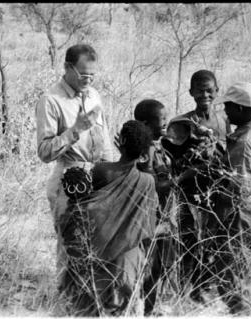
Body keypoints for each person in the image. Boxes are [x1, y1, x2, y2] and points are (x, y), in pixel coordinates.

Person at [35, 44, 117, 295]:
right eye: (83, 74)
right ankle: (66, 298)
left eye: (92, 75)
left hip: (96, 176)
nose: (88, 80)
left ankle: (91, 295)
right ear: (67, 68)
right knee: (70, 242)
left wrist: (112, 172)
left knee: (97, 239)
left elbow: (102, 137)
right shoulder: (51, 100)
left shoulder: (93, 95)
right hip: (68, 178)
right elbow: (45, 152)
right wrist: (74, 131)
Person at [56, 120, 158, 316]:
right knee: (121, 307)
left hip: (95, 246)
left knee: (89, 303)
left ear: (121, 142)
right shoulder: (147, 181)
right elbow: (148, 226)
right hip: (127, 253)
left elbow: (82, 204)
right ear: (145, 153)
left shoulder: (101, 170)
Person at [166, 70, 229, 303]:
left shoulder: (225, 120)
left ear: (217, 91)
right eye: (199, 90)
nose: (205, 94)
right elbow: (171, 161)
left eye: (209, 90)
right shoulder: (180, 123)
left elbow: (230, 154)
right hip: (188, 191)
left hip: (217, 190)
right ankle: (186, 288)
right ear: (190, 92)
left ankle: (204, 286)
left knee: (213, 240)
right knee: (188, 240)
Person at [211, 82, 251, 315]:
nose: (225, 111)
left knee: (234, 277)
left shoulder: (243, 142)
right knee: (250, 269)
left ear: (242, 109)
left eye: (229, 106)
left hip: (240, 213)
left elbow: (237, 189)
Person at [132, 99, 176, 315]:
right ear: (146, 125)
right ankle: (146, 308)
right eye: (161, 119)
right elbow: (151, 183)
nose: (166, 122)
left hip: (163, 213)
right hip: (152, 215)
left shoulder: (158, 145)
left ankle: (151, 306)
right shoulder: (147, 149)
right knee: (152, 264)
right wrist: (180, 179)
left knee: (162, 263)